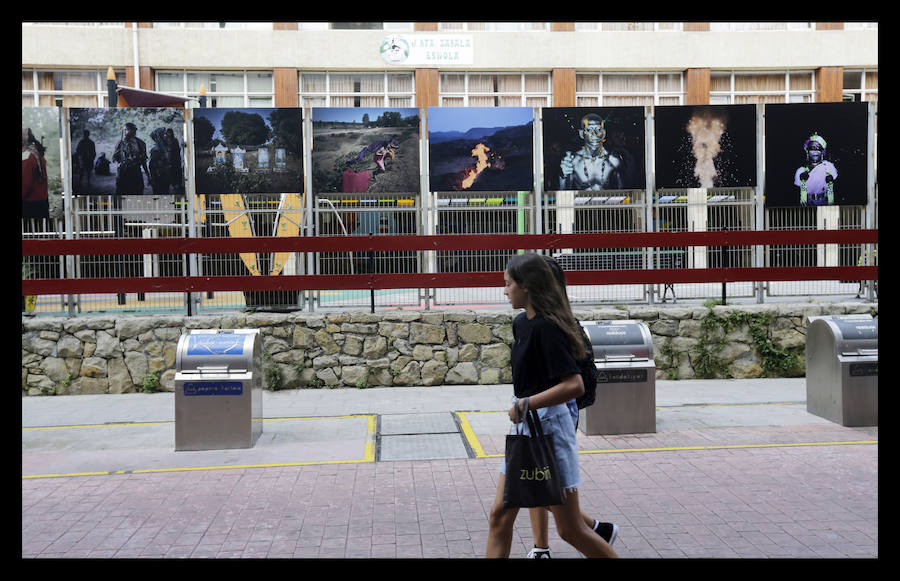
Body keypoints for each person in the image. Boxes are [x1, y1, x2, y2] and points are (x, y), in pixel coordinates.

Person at [485, 252, 618, 559]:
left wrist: (526, 404)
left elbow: (574, 385)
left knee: (570, 530)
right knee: (499, 516)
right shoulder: (522, 324)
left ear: (527, 286)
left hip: (549, 429)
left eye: (508, 284)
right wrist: (524, 408)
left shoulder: (548, 328)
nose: (504, 291)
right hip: (526, 426)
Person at [559, 114, 625, 191]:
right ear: (581, 134)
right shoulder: (573, 161)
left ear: (604, 133)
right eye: (589, 130)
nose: (594, 134)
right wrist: (563, 176)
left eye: (598, 130)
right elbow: (563, 194)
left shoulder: (613, 160)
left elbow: (623, 193)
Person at [794, 132, 837, 206]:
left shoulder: (829, 167)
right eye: (812, 148)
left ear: (822, 152)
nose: (815, 151)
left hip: (825, 204)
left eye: (818, 148)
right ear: (807, 151)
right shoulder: (800, 171)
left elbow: (834, 190)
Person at [112, 122, 150, 195]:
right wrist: (119, 164)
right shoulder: (120, 143)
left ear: (134, 131)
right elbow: (114, 157)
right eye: (125, 130)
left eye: (128, 130)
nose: (126, 132)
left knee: (137, 194)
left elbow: (143, 161)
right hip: (123, 173)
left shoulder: (140, 143)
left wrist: (148, 176)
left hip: (136, 173)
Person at [22, 127, 49, 219]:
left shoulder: (28, 156)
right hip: (42, 201)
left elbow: (25, 184)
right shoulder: (37, 152)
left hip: (31, 205)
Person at [148, 128, 170, 196]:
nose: (166, 135)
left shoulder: (164, 147)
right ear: (160, 136)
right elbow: (151, 165)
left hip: (165, 177)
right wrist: (153, 179)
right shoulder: (156, 149)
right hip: (159, 179)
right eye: (164, 134)